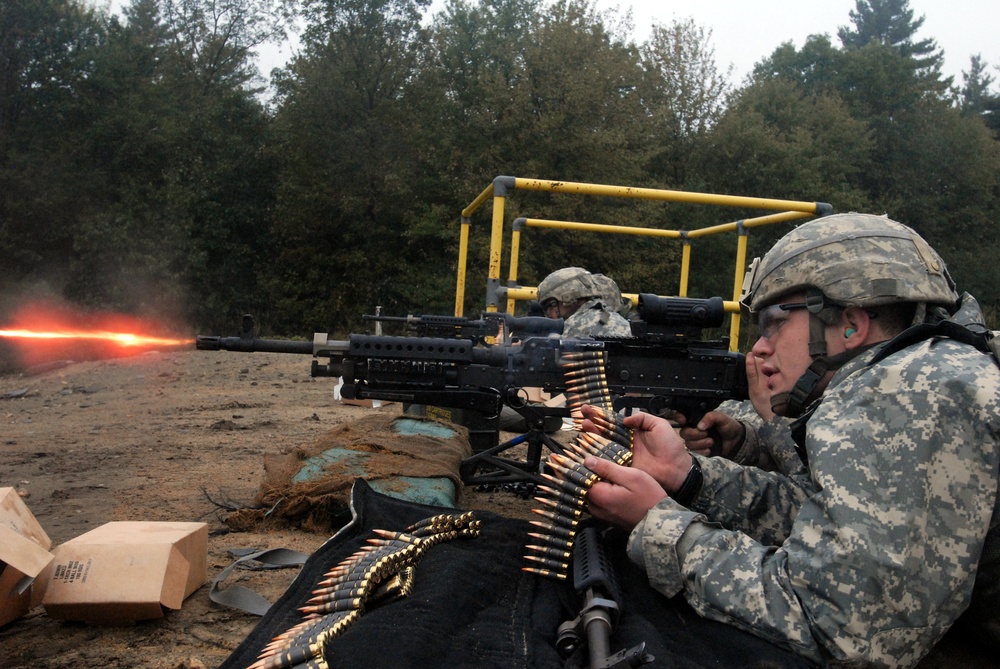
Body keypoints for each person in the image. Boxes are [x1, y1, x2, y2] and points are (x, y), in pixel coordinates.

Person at [578, 213, 1000, 667]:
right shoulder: (923, 372)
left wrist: (658, 526)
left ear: (852, 326)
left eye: (775, 322)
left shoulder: (912, 390)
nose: (758, 348)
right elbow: (820, 518)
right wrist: (687, 477)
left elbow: (847, 632)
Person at [536, 267, 632, 338]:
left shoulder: (574, 325)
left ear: (568, 298)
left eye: (550, 306)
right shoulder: (617, 319)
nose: (548, 313)